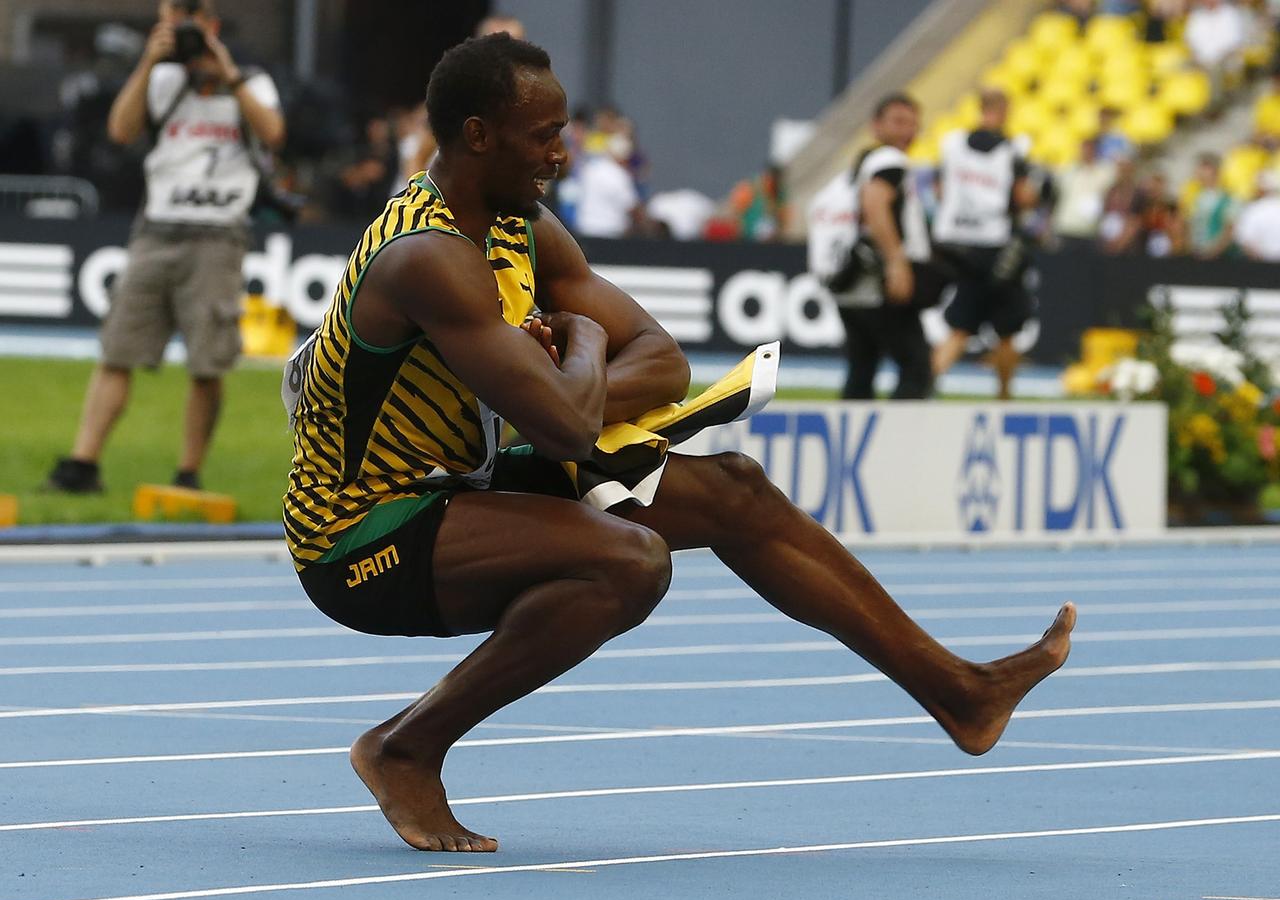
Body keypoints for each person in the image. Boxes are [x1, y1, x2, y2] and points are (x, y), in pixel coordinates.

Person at [283, 33, 1075, 854]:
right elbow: (564, 422)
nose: (562, 152)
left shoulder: (524, 225)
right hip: (359, 532)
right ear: (478, 136)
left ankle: (961, 692)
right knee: (626, 560)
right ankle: (406, 746)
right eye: (543, 135)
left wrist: (570, 380)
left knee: (734, 488)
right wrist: (584, 343)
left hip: (457, 480)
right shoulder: (428, 257)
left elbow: (663, 360)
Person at [46, 0, 284, 493]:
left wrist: (227, 72)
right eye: (172, 21)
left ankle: (188, 472)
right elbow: (120, 130)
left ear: (213, 25)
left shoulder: (251, 81)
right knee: (117, 350)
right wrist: (148, 62)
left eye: (191, 22)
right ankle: (82, 464)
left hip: (218, 232)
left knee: (207, 362)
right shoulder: (160, 79)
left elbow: (274, 134)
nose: (183, 32)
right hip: (155, 227)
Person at [807, 93, 936, 400]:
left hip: (847, 285)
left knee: (861, 370)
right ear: (876, 126)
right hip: (877, 285)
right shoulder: (889, 161)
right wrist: (896, 262)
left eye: (913, 124)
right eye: (899, 122)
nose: (907, 131)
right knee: (916, 369)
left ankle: (853, 443)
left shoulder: (853, 171)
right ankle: (901, 442)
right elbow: (875, 204)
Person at [930, 89, 1038, 401]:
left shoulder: (953, 144)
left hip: (956, 243)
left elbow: (938, 190)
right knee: (1006, 331)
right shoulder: (1012, 149)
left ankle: (924, 389)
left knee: (961, 327)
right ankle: (1004, 398)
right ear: (1003, 110)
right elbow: (1022, 196)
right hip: (996, 246)